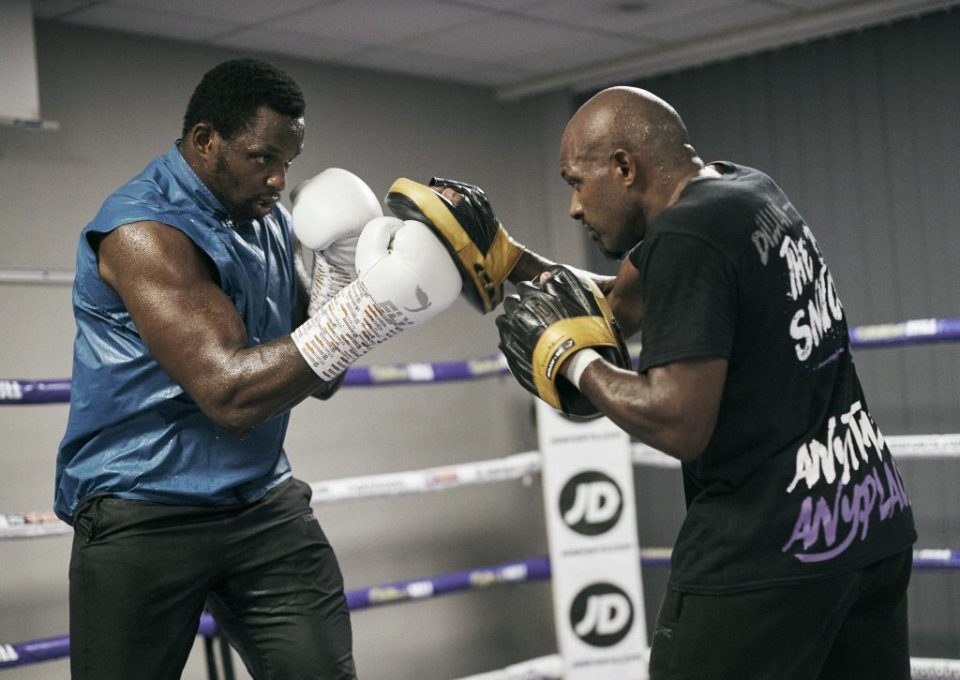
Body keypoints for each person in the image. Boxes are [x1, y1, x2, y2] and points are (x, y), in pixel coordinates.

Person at [386, 86, 917, 680]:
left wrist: (572, 359)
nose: (574, 209)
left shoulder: (686, 237)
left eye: (575, 182)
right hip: (869, 523)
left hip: (766, 549)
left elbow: (679, 421)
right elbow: (626, 302)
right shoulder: (744, 190)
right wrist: (513, 261)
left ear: (623, 168)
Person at [55, 58, 461, 680]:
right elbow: (231, 395)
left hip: (261, 506)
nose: (277, 180)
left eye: (288, 164)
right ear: (204, 141)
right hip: (142, 511)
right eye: (261, 158)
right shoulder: (144, 233)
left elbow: (318, 377)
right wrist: (367, 309)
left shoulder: (267, 221)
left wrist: (340, 281)